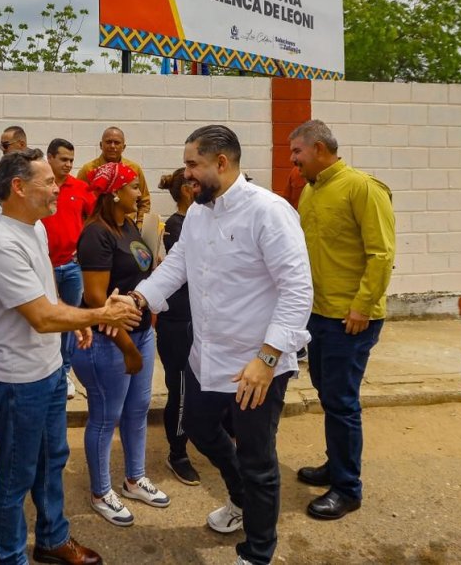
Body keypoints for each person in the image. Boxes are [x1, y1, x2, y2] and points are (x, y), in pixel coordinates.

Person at [131, 125, 312, 565]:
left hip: (256, 365)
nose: (186, 174)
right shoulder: (198, 212)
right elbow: (177, 266)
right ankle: (240, 498)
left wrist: (267, 358)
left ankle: (258, 551)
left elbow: (297, 288)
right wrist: (140, 297)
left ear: (222, 163)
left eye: (193, 164)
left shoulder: (268, 211)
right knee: (199, 429)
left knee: (258, 458)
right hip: (207, 356)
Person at [0, 147, 141, 565]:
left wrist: (77, 319)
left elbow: (44, 295)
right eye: (48, 181)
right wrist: (100, 313)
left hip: (46, 372)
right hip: (16, 381)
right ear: (18, 187)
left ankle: (52, 539)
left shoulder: (34, 225)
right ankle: (12, 556)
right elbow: (42, 317)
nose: (57, 187)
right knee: (16, 476)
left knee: (52, 462)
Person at [289, 119, 395, 520]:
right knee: (329, 396)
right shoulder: (312, 192)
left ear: (318, 148)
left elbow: (381, 253)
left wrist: (362, 306)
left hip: (349, 319)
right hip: (317, 314)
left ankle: (347, 488)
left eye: (297, 152)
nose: (294, 161)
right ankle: (335, 466)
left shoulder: (362, 188)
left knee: (342, 402)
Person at [72, 161, 170, 527]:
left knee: (138, 408)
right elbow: (98, 302)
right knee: (105, 416)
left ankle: (134, 478)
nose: (139, 193)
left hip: (140, 333)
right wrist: (128, 346)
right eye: (132, 187)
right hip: (110, 342)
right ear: (114, 193)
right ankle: (101, 492)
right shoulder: (96, 235)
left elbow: (138, 272)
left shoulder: (127, 223)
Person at [154, 168, 201, 486]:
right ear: (186, 190)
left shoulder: (199, 221)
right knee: (181, 390)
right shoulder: (176, 225)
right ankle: (178, 454)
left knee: (201, 386)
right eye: (195, 183)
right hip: (177, 321)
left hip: (196, 320)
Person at [42, 138, 95, 400]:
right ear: (49, 157)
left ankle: (64, 370)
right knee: (47, 319)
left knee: (70, 321)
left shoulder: (80, 187)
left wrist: (84, 245)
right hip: (45, 269)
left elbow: (95, 218)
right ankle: (48, 369)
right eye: (63, 159)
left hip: (72, 268)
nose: (68, 165)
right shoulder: (41, 187)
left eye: (71, 160)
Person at [77, 126, 150, 229]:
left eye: (116, 142)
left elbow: (144, 201)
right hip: (98, 228)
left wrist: (139, 225)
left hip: (127, 228)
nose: (112, 146)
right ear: (101, 145)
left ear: (123, 147)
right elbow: (79, 203)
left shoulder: (134, 169)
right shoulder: (88, 170)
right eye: (108, 142)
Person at [0, 125, 26, 199]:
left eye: (5, 145)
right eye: (1, 146)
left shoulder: (39, 162)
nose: (3, 149)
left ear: (21, 144)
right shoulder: (0, 163)